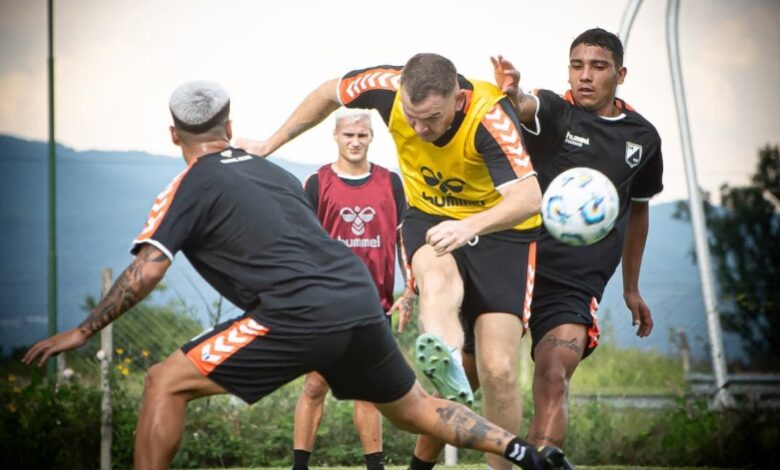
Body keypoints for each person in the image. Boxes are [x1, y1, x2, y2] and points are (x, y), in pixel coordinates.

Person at [22, 80, 570, 470]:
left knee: (164, 381)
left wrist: (83, 331)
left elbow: (147, 270)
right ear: (231, 127)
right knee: (414, 411)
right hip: (356, 297)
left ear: (173, 136)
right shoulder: (274, 173)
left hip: (296, 311)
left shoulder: (185, 187)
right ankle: (521, 450)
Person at [235, 52, 551, 470]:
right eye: (411, 115)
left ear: (457, 100)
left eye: (431, 119)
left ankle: (500, 460)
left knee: (498, 371)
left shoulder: (489, 118)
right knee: (437, 278)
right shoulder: (385, 84)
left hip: (504, 231)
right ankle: (448, 360)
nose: (419, 130)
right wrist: (267, 145)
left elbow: (529, 198)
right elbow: (327, 93)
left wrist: (470, 225)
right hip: (431, 215)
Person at [488, 27, 663, 452]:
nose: (585, 76)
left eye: (598, 67)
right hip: (514, 263)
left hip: (573, 283)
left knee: (553, 376)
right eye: (577, 65)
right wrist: (514, 94)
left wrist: (631, 286)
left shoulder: (643, 138)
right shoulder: (555, 110)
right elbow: (528, 105)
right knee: (478, 375)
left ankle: (539, 463)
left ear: (620, 74)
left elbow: (638, 210)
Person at [292, 109, 408, 470]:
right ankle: (299, 466)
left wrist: (412, 288)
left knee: (368, 390)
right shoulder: (317, 183)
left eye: (362, 135)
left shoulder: (391, 183)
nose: (355, 142)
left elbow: (405, 241)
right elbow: (301, 242)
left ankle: (375, 466)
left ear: (372, 137)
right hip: (328, 304)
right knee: (314, 385)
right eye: (348, 136)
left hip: (377, 303)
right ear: (336, 137)